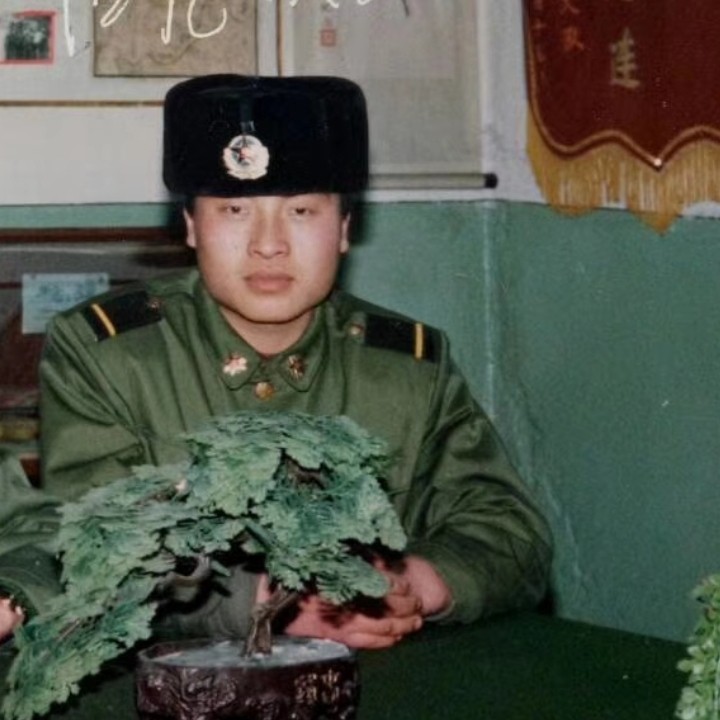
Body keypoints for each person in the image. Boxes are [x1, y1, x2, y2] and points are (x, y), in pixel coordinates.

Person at [0, 75, 552, 648]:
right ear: (191, 226)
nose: (269, 244)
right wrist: (265, 602)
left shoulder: (406, 366)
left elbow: (511, 530)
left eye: (302, 211)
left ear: (344, 228)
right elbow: (86, 552)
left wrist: (418, 581)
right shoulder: (112, 356)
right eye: (235, 209)